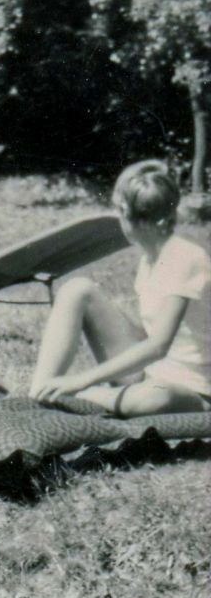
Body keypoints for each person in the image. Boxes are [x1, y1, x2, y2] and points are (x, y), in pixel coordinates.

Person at [29, 160, 211, 413]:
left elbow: (158, 346)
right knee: (77, 289)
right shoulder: (149, 258)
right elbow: (147, 332)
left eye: (123, 214)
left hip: (192, 388)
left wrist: (82, 380)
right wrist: (112, 316)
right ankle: (39, 392)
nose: (120, 221)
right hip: (152, 374)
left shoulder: (185, 258)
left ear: (148, 222)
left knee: (153, 397)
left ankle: (76, 396)